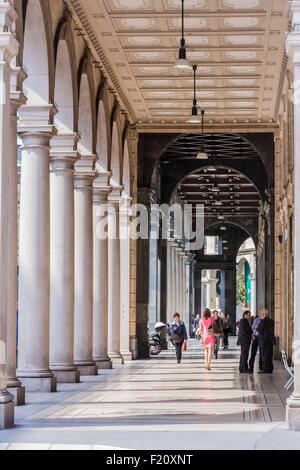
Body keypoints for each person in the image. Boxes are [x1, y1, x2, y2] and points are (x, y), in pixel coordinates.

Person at [257, 309, 275, 374]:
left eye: (261, 314)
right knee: (269, 355)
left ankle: (265, 369)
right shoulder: (271, 321)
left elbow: (258, 329)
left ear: (264, 314)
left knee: (265, 355)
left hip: (264, 341)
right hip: (269, 341)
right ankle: (270, 368)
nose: (260, 315)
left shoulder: (263, 321)